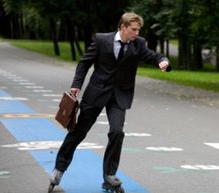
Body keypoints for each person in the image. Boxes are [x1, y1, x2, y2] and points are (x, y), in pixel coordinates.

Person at [48, 12, 170, 193]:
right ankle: (59, 169)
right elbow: (84, 63)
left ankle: (109, 176)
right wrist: (76, 86)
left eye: (138, 29)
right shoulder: (101, 40)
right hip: (96, 93)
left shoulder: (139, 44)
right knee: (78, 132)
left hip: (119, 96)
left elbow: (152, 55)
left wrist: (163, 60)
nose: (137, 33)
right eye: (134, 29)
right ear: (123, 27)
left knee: (117, 132)